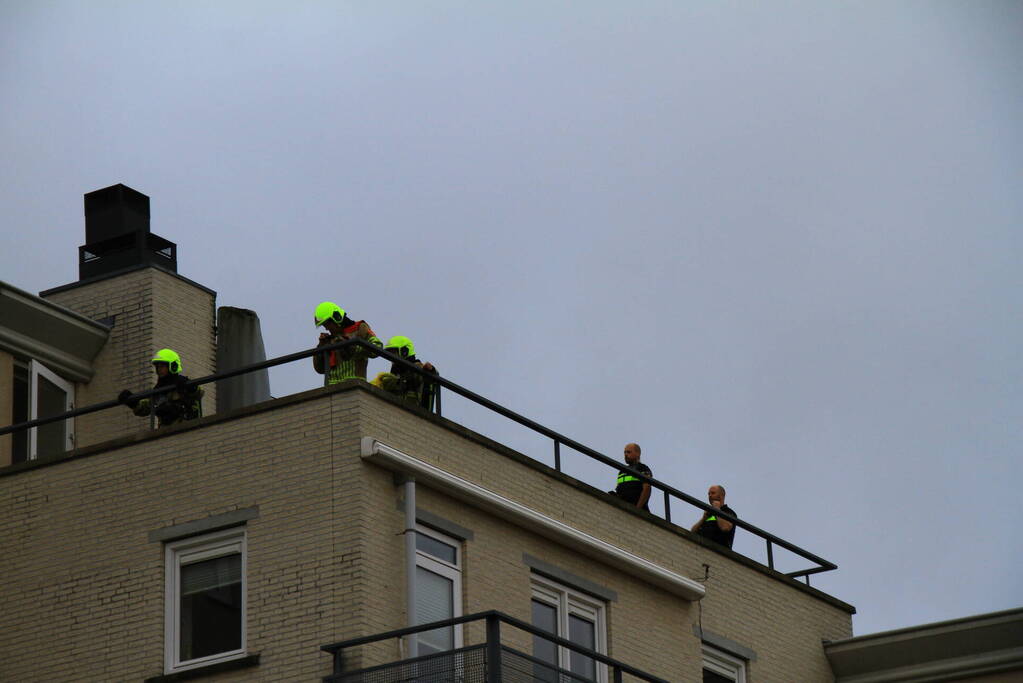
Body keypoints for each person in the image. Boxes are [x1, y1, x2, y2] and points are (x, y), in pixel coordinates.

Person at [117, 348, 204, 428]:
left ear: (172, 366)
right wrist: (133, 402)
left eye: (162, 366)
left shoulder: (183, 383)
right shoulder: (158, 390)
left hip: (188, 428)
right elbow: (146, 407)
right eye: (157, 367)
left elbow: (198, 393)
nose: (159, 370)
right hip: (166, 433)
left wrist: (191, 387)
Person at [312, 301, 382, 383]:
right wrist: (321, 349)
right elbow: (320, 369)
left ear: (337, 317)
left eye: (328, 325)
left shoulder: (359, 328)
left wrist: (352, 348)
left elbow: (377, 347)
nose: (327, 329)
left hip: (354, 386)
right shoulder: (330, 340)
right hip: (332, 388)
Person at [371, 335, 439, 410]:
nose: (391, 357)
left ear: (404, 351)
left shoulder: (417, 367)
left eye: (394, 353)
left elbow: (430, 377)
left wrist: (430, 370)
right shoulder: (395, 373)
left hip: (413, 411)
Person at [612, 443, 652, 511]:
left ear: (638, 454)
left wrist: (637, 509)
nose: (626, 454)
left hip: (636, 508)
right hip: (623, 508)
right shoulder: (622, 471)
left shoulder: (642, 468)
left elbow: (647, 488)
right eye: (625, 452)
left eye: (629, 452)